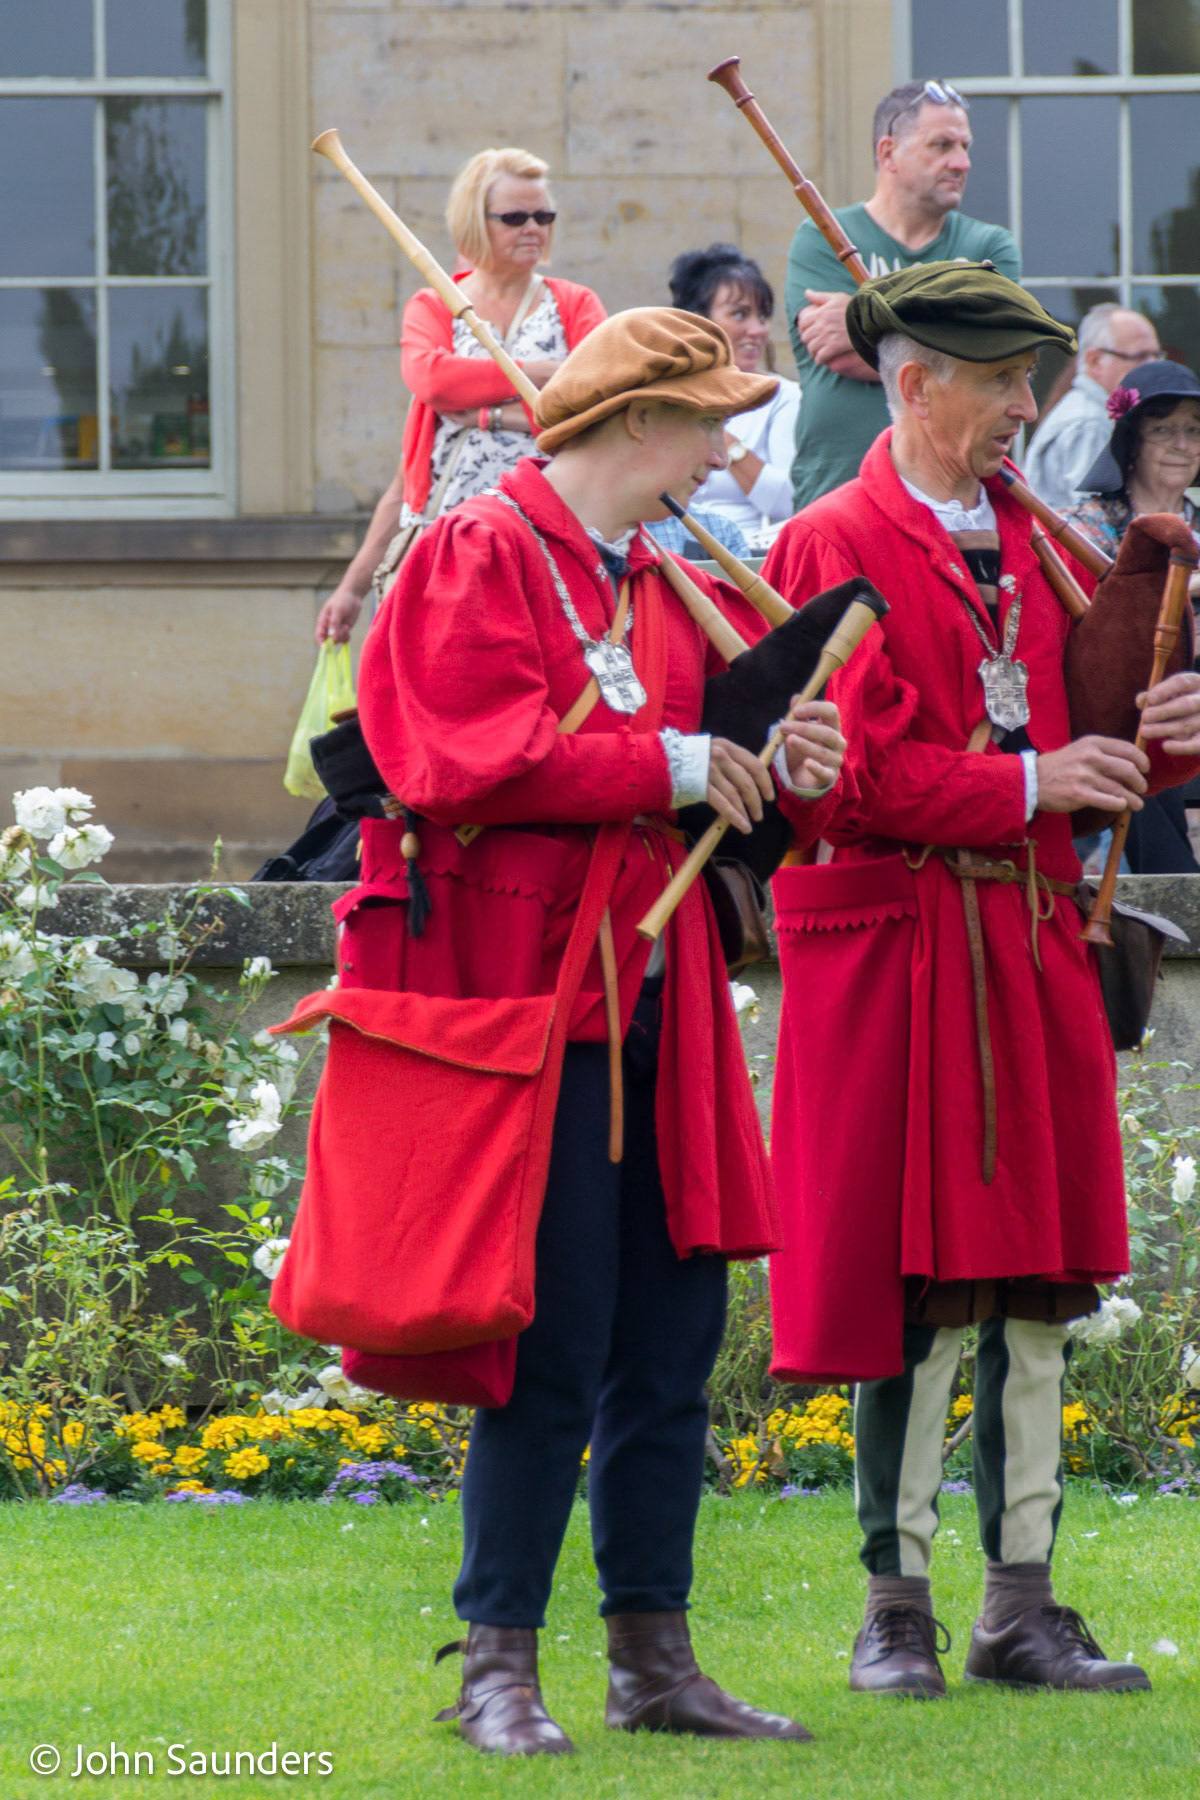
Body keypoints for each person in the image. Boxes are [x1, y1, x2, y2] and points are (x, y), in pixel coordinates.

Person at [354, 308, 847, 1754]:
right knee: (548, 1332)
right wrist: (675, 758)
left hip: (657, 990)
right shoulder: (478, 547)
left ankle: (654, 1657)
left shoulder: (657, 578)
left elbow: (712, 795)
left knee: (675, 1327)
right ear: (638, 427)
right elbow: (453, 754)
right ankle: (496, 1666)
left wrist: (787, 770)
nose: (730, 447)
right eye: (708, 420)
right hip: (531, 995)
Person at [761, 262, 1200, 1700]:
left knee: (1032, 1286)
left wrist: (1173, 726)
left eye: (1035, 380)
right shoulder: (829, 541)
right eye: (1006, 384)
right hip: (902, 953)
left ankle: (1021, 1604)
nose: (1031, 409)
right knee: (915, 1286)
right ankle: (894, 1608)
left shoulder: (1042, 535)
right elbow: (841, 778)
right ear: (914, 385)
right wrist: (1027, 780)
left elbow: (1102, 719)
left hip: (1026, 947)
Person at [315, 146, 606, 645]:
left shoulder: (574, 303)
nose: (533, 228)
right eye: (515, 217)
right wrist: (352, 587)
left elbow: (596, 399)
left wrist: (483, 413)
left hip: (549, 546)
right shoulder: (435, 303)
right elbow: (431, 383)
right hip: (441, 547)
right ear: (475, 221)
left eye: (544, 215)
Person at [786, 80, 1019, 511]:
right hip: (837, 503)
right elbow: (836, 351)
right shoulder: (823, 236)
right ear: (888, 152)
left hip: (955, 504)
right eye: (942, 145)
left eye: (965, 146)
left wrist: (862, 321)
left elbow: (986, 362)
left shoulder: (988, 249)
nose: (962, 163)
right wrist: (948, 337)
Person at [1062, 360, 1200, 872]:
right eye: (1164, 430)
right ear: (1131, 443)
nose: (1182, 444)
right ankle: (1175, 889)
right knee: (1143, 728)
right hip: (1130, 704)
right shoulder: (1085, 527)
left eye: (1193, 430)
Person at [651, 243, 800, 551]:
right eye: (740, 314)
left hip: (750, 552)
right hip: (669, 550)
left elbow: (789, 501)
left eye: (763, 316)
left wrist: (718, 435)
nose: (757, 329)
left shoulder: (782, 396)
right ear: (698, 320)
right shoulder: (662, 396)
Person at [1023, 304, 1164, 510]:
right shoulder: (1089, 424)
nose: (1153, 368)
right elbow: (1096, 521)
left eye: (1156, 356)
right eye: (1140, 357)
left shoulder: (1092, 414)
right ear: (1095, 360)